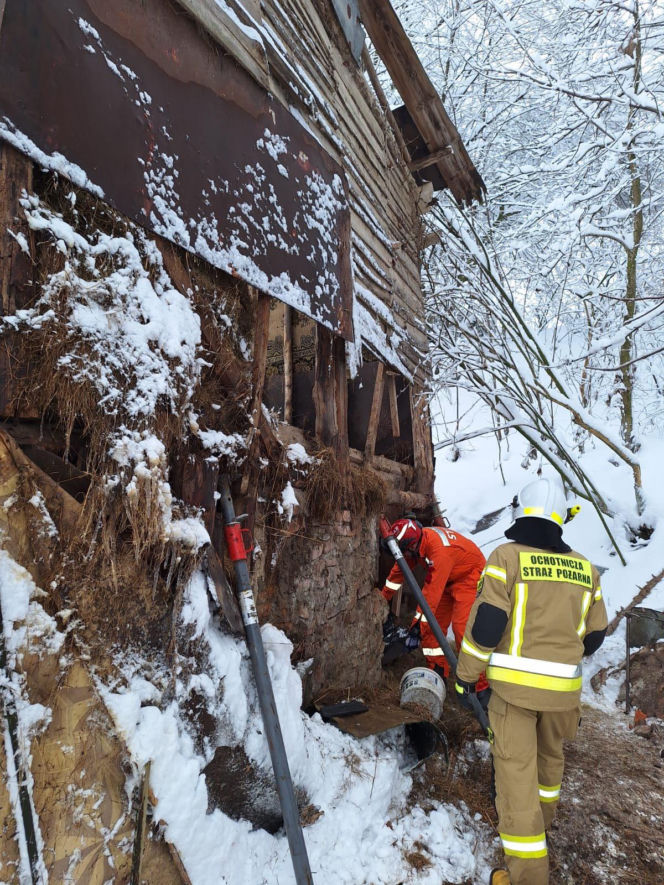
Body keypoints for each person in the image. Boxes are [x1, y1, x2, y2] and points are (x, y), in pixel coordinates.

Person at [454, 475, 608, 885]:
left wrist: (465, 677)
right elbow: (595, 636)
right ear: (560, 517)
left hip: (514, 696)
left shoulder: (507, 557)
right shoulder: (586, 569)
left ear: (520, 510)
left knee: (516, 781)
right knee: (548, 769)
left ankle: (527, 878)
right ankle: (541, 832)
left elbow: (487, 625)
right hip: (563, 698)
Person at [380, 516, 489, 700]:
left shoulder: (439, 552)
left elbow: (431, 595)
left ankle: (480, 688)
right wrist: (382, 598)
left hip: (469, 576)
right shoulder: (418, 545)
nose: (405, 556)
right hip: (448, 580)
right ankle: (437, 674)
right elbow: (399, 571)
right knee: (430, 631)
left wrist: (415, 629)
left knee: (461, 628)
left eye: (405, 552)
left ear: (412, 546)